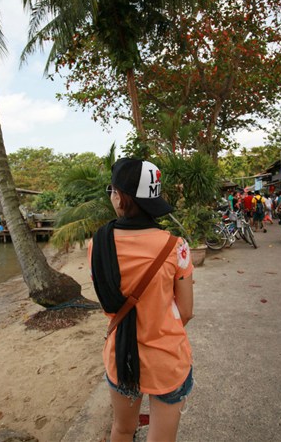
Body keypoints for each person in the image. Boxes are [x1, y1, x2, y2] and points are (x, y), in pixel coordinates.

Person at [88, 158, 194, 442]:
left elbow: (108, 303)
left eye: (112, 190)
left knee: (122, 429)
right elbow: (185, 311)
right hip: (167, 360)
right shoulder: (176, 247)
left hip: (120, 357)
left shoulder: (98, 244)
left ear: (120, 197)